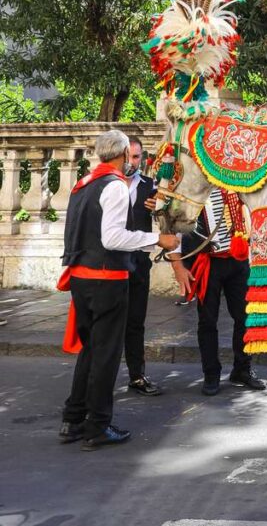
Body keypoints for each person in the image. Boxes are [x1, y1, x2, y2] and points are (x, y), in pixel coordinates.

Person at [58, 130, 179, 450]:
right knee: (106, 354)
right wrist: (157, 238)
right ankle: (97, 424)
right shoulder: (114, 186)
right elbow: (113, 238)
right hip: (106, 278)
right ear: (124, 154)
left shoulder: (83, 184)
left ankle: (73, 419)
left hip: (82, 278)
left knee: (91, 350)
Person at [169, 188, 265, 396]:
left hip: (238, 260)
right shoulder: (196, 184)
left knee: (245, 318)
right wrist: (178, 265)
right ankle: (211, 374)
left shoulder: (239, 183)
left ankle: (242, 369)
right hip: (207, 262)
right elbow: (176, 226)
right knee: (207, 320)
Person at [123, 137, 161, 396]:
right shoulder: (105, 184)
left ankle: (137, 376)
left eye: (136, 157)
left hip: (139, 261)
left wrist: (159, 208)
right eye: (128, 157)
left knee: (136, 321)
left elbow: (168, 215)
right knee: (108, 322)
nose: (132, 163)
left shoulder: (151, 186)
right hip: (112, 262)